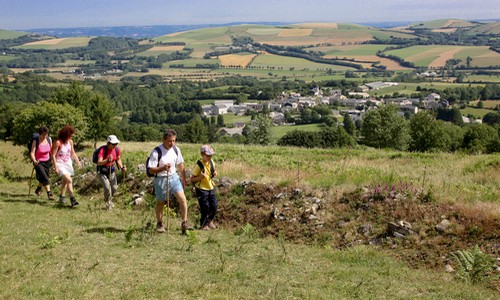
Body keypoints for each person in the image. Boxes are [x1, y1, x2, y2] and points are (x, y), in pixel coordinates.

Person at [147, 129, 193, 233]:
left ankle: (184, 222)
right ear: (163, 140)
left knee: (182, 199)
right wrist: (163, 168)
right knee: (160, 202)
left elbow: (180, 164)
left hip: (174, 177)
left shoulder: (176, 150)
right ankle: (159, 223)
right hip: (161, 179)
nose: (172, 143)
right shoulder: (156, 152)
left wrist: (183, 179)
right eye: (169, 141)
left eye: (173, 141)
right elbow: (151, 169)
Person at [51, 125, 82, 207]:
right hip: (60, 164)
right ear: (66, 134)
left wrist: (78, 161)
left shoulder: (70, 142)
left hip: (68, 163)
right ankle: (72, 198)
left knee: (65, 182)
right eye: (70, 134)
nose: (72, 136)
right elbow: (53, 155)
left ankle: (62, 196)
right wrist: (56, 167)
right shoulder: (58, 143)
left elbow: (72, 153)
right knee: (69, 180)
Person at [190, 145, 218, 230]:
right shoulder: (199, 165)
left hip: (211, 187)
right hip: (201, 188)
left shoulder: (212, 162)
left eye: (211, 155)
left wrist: (214, 173)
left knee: (214, 206)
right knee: (204, 207)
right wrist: (200, 177)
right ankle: (204, 224)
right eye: (208, 155)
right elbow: (192, 179)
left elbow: (212, 172)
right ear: (202, 154)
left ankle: (209, 220)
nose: (210, 157)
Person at [96, 135, 126, 210]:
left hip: (111, 170)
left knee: (114, 188)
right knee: (107, 187)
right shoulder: (103, 150)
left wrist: (122, 167)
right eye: (113, 144)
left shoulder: (116, 149)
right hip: (102, 171)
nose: (115, 145)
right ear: (108, 143)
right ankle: (108, 203)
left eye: (116, 144)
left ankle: (110, 199)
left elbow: (118, 159)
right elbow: (99, 162)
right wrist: (107, 160)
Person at [30, 126, 55, 200]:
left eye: (46, 134)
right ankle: (49, 193)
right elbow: (32, 153)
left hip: (47, 161)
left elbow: (51, 151)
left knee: (43, 177)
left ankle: (38, 189)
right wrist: (34, 161)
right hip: (38, 162)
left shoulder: (49, 139)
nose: (45, 136)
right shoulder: (35, 141)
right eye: (43, 135)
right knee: (45, 178)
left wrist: (54, 160)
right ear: (40, 134)